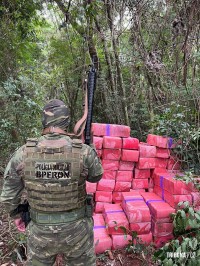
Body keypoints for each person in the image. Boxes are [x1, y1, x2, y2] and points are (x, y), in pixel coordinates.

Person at [0, 99, 103, 266]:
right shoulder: (83, 151)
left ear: (44, 121)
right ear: (67, 121)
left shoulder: (24, 153)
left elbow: (8, 197)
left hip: (40, 231)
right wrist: (90, 148)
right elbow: (96, 176)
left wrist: (16, 216)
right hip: (77, 231)